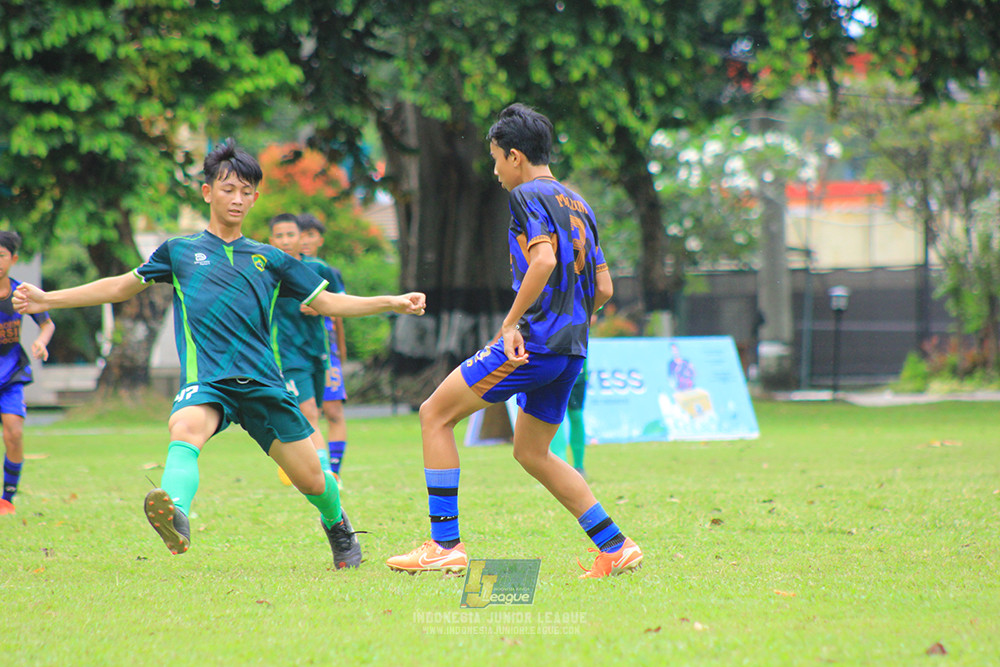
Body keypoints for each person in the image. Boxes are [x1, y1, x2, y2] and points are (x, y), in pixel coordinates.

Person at [13, 139, 426, 568]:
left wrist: (391, 301)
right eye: (229, 189)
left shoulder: (270, 258)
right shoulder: (179, 252)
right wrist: (48, 300)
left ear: (255, 198)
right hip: (208, 380)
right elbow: (120, 286)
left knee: (312, 479)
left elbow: (330, 303)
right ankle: (175, 513)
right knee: (185, 428)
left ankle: (337, 527)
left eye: (247, 192)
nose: (238, 199)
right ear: (208, 192)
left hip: (265, 383)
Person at [386, 103, 642, 579]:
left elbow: (542, 261)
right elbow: (604, 289)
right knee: (531, 451)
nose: (496, 170)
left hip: (535, 343)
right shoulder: (578, 204)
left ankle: (444, 545)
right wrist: (569, 319)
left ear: (516, 156)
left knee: (433, 415)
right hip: (571, 350)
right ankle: (615, 545)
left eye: (497, 159)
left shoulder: (528, 196)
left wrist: (512, 324)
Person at [268, 213, 342, 482]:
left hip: (318, 351)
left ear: (302, 238)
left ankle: (304, 466)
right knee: (309, 411)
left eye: (291, 235)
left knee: (315, 413)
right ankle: (325, 474)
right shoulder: (268, 272)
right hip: (286, 353)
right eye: (280, 235)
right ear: (271, 240)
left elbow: (338, 303)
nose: (286, 241)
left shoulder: (319, 269)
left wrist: (321, 307)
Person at [0, 231, 55, 516]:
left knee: (14, 433)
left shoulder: (22, 293)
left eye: (1, 255)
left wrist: (40, 342)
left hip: (10, 375)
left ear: (14, 259)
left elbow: (47, 324)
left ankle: (7, 498)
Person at [296, 213, 350, 484]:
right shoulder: (285, 267)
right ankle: (318, 469)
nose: (304, 240)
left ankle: (335, 472)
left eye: (310, 235)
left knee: (333, 411)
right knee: (307, 414)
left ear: (320, 239)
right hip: (296, 355)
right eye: (300, 234)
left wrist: (340, 349)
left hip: (326, 352)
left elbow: (339, 312)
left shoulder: (325, 270)